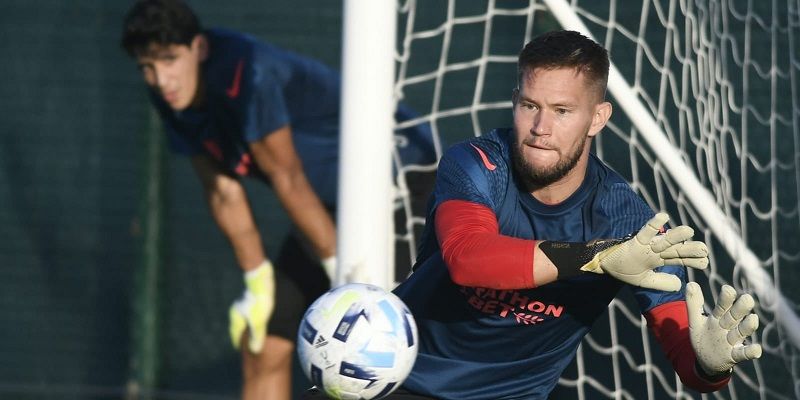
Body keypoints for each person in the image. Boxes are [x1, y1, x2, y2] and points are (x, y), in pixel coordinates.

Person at [306, 30, 763, 399]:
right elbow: (469, 258)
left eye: (562, 111)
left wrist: (710, 364)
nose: (541, 129)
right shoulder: (476, 164)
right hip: (396, 383)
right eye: (530, 106)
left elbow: (689, 360)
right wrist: (598, 259)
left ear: (598, 118)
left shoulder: (629, 222)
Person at [120, 1, 435, 399]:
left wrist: (342, 274)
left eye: (169, 59)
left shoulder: (248, 72)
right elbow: (222, 190)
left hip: (402, 185)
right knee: (263, 341)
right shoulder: (169, 96)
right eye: (147, 66)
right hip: (325, 207)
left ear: (198, 48)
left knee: (377, 351)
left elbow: (287, 177)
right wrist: (256, 282)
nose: (161, 78)